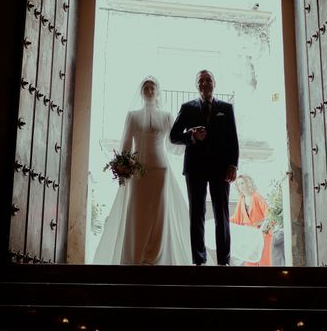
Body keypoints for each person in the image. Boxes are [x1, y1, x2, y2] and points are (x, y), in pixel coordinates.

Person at [93, 76, 192, 265]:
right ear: (141, 92)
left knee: (158, 213)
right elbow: (126, 144)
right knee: (138, 213)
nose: (149, 91)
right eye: (146, 88)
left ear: (157, 92)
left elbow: (173, 145)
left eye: (152, 88)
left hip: (160, 169)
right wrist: (123, 165)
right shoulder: (132, 115)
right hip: (137, 172)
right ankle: (135, 256)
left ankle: (156, 257)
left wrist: (190, 139)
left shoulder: (166, 116)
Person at [170, 69, 239, 266]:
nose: (204, 83)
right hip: (195, 168)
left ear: (214, 83)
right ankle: (199, 260)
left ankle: (223, 261)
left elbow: (232, 139)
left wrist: (233, 165)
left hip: (221, 169)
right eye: (200, 80)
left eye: (208, 80)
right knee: (196, 213)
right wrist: (191, 136)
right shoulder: (187, 107)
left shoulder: (226, 108)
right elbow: (174, 136)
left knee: (222, 214)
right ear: (197, 85)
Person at [230, 174, 272, 266]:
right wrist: (224, 220)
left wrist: (260, 224)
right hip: (250, 235)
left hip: (262, 235)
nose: (240, 186)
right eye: (238, 184)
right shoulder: (241, 199)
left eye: (242, 183)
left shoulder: (256, 196)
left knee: (264, 262)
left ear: (248, 183)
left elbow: (269, 215)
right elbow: (236, 218)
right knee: (249, 262)